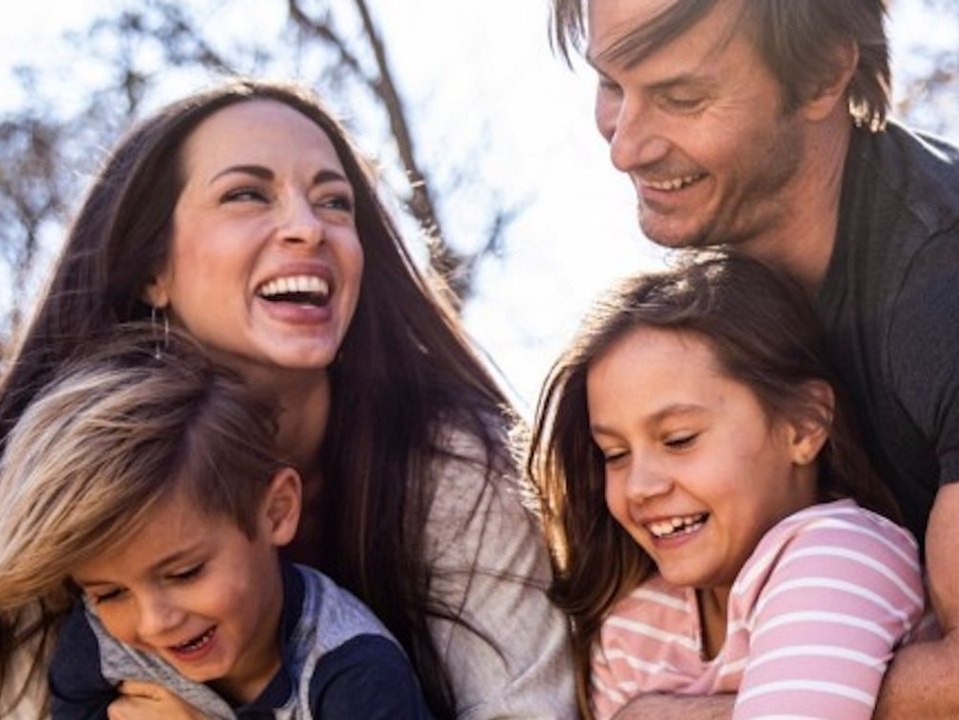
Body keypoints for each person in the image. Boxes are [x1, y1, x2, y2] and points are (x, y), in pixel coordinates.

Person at [0, 78, 575, 720]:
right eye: (246, 194)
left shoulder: (451, 468)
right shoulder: (55, 485)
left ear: (281, 506)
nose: (308, 228)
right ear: (151, 270)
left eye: (335, 203)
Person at [549, 0, 959, 716]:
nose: (625, 146)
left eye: (680, 97)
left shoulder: (941, 288)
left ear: (824, 72)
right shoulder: (709, 312)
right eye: (613, 85)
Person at [527, 251, 928, 719]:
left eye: (679, 440)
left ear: (804, 425)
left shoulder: (840, 553)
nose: (640, 486)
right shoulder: (633, 631)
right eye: (615, 454)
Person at [0, 330, 433, 719]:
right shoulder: (100, 641)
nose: (154, 623)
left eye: (185, 572)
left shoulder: (355, 674)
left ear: (277, 511)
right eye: (110, 593)